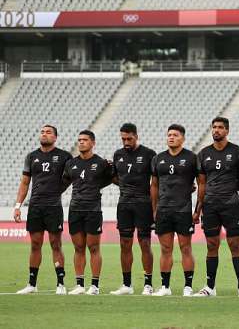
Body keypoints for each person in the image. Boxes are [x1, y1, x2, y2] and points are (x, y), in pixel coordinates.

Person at [195, 117, 239, 298]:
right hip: (210, 206)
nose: (216, 130)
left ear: (227, 131)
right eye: (214, 127)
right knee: (212, 245)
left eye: (220, 128)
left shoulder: (238, 152)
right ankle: (210, 287)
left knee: (234, 244)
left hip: (230, 205)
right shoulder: (203, 154)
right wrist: (198, 209)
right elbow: (201, 184)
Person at [14, 125, 72, 295]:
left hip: (53, 206)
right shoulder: (31, 156)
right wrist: (18, 206)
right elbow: (25, 183)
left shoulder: (64, 156)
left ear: (55, 137)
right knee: (35, 244)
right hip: (35, 206)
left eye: (48, 132)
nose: (44, 134)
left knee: (56, 244)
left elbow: (69, 178)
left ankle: (60, 284)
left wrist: (58, 190)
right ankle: (32, 284)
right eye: (42, 132)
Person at [150, 124, 200, 297]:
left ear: (183, 138)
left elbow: (201, 183)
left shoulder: (192, 158)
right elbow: (154, 185)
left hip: (183, 210)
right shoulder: (158, 159)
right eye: (169, 135)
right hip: (163, 210)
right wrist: (154, 209)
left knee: (185, 248)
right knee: (165, 249)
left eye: (175, 135)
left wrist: (197, 210)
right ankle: (165, 286)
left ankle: (188, 286)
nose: (171, 137)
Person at [62, 130, 113, 295]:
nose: (81, 142)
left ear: (93, 143)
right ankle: (79, 284)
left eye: (84, 140)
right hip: (75, 209)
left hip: (93, 210)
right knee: (78, 247)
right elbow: (64, 182)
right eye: (79, 140)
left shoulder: (101, 163)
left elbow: (111, 179)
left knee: (93, 247)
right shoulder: (71, 164)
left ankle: (95, 286)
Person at [110, 123, 157, 296]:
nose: (126, 142)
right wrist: (124, 185)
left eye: (129, 138)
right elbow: (113, 176)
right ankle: (127, 285)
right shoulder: (118, 154)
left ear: (136, 136)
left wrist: (154, 207)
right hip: (124, 204)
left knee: (144, 243)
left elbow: (156, 181)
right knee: (124, 244)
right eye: (123, 139)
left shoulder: (149, 154)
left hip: (143, 203)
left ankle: (148, 284)